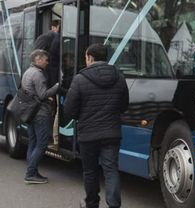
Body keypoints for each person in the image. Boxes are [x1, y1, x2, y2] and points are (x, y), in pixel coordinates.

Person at [63, 44, 129, 208]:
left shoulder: (80, 79)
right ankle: (114, 205)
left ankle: (91, 203)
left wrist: (81, 117)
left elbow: (69, 110)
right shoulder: (119, 77)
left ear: (90, 57)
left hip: (88, 134)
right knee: (111, 169)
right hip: (112, 133)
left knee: (90, 171)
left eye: (86, 57)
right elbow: (124, 105)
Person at [21, 49, 59, 184]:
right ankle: (30, 174)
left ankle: (33, 171)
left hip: (30, 112)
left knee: (33, 142)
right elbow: (43, 95)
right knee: (42, 144)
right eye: (46, 59)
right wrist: (57, 86)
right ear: (38, 59)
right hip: (39, 113)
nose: (47, 62)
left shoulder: (27, 72)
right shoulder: (38, 74)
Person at [34, 19, 61, 146]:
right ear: (55, 27)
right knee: (51, 107)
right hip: (50, 79)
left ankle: (47, 136)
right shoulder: (53, 38)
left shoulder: (43, 37)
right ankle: (48, 136)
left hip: (49, 79)